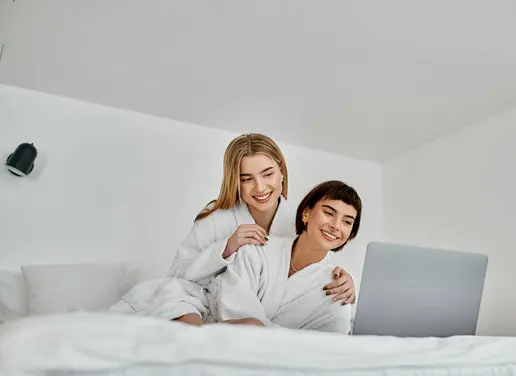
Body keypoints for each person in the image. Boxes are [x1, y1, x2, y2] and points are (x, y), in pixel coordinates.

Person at [110, 180, 361, 334]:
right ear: (306, 214)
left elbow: (334, 338)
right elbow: (236, 310)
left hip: (241, 339)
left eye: (347, 222)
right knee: (244, 325)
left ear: (349, 234)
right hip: (197, 309)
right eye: (329, 213)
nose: (335, 225)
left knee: (251, 327)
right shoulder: (259, 246)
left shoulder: (336, 287)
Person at [166, 133, 356, 305]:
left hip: (264, 318)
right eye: (247, 179)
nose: (260, 188)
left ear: (281, 171)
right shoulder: (216, 217)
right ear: (235, 181)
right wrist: (227, 248)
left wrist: (344, 280)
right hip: (211, 309)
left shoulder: (300, 221)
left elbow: (314, 269)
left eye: (268, 174)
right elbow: (176, 277)